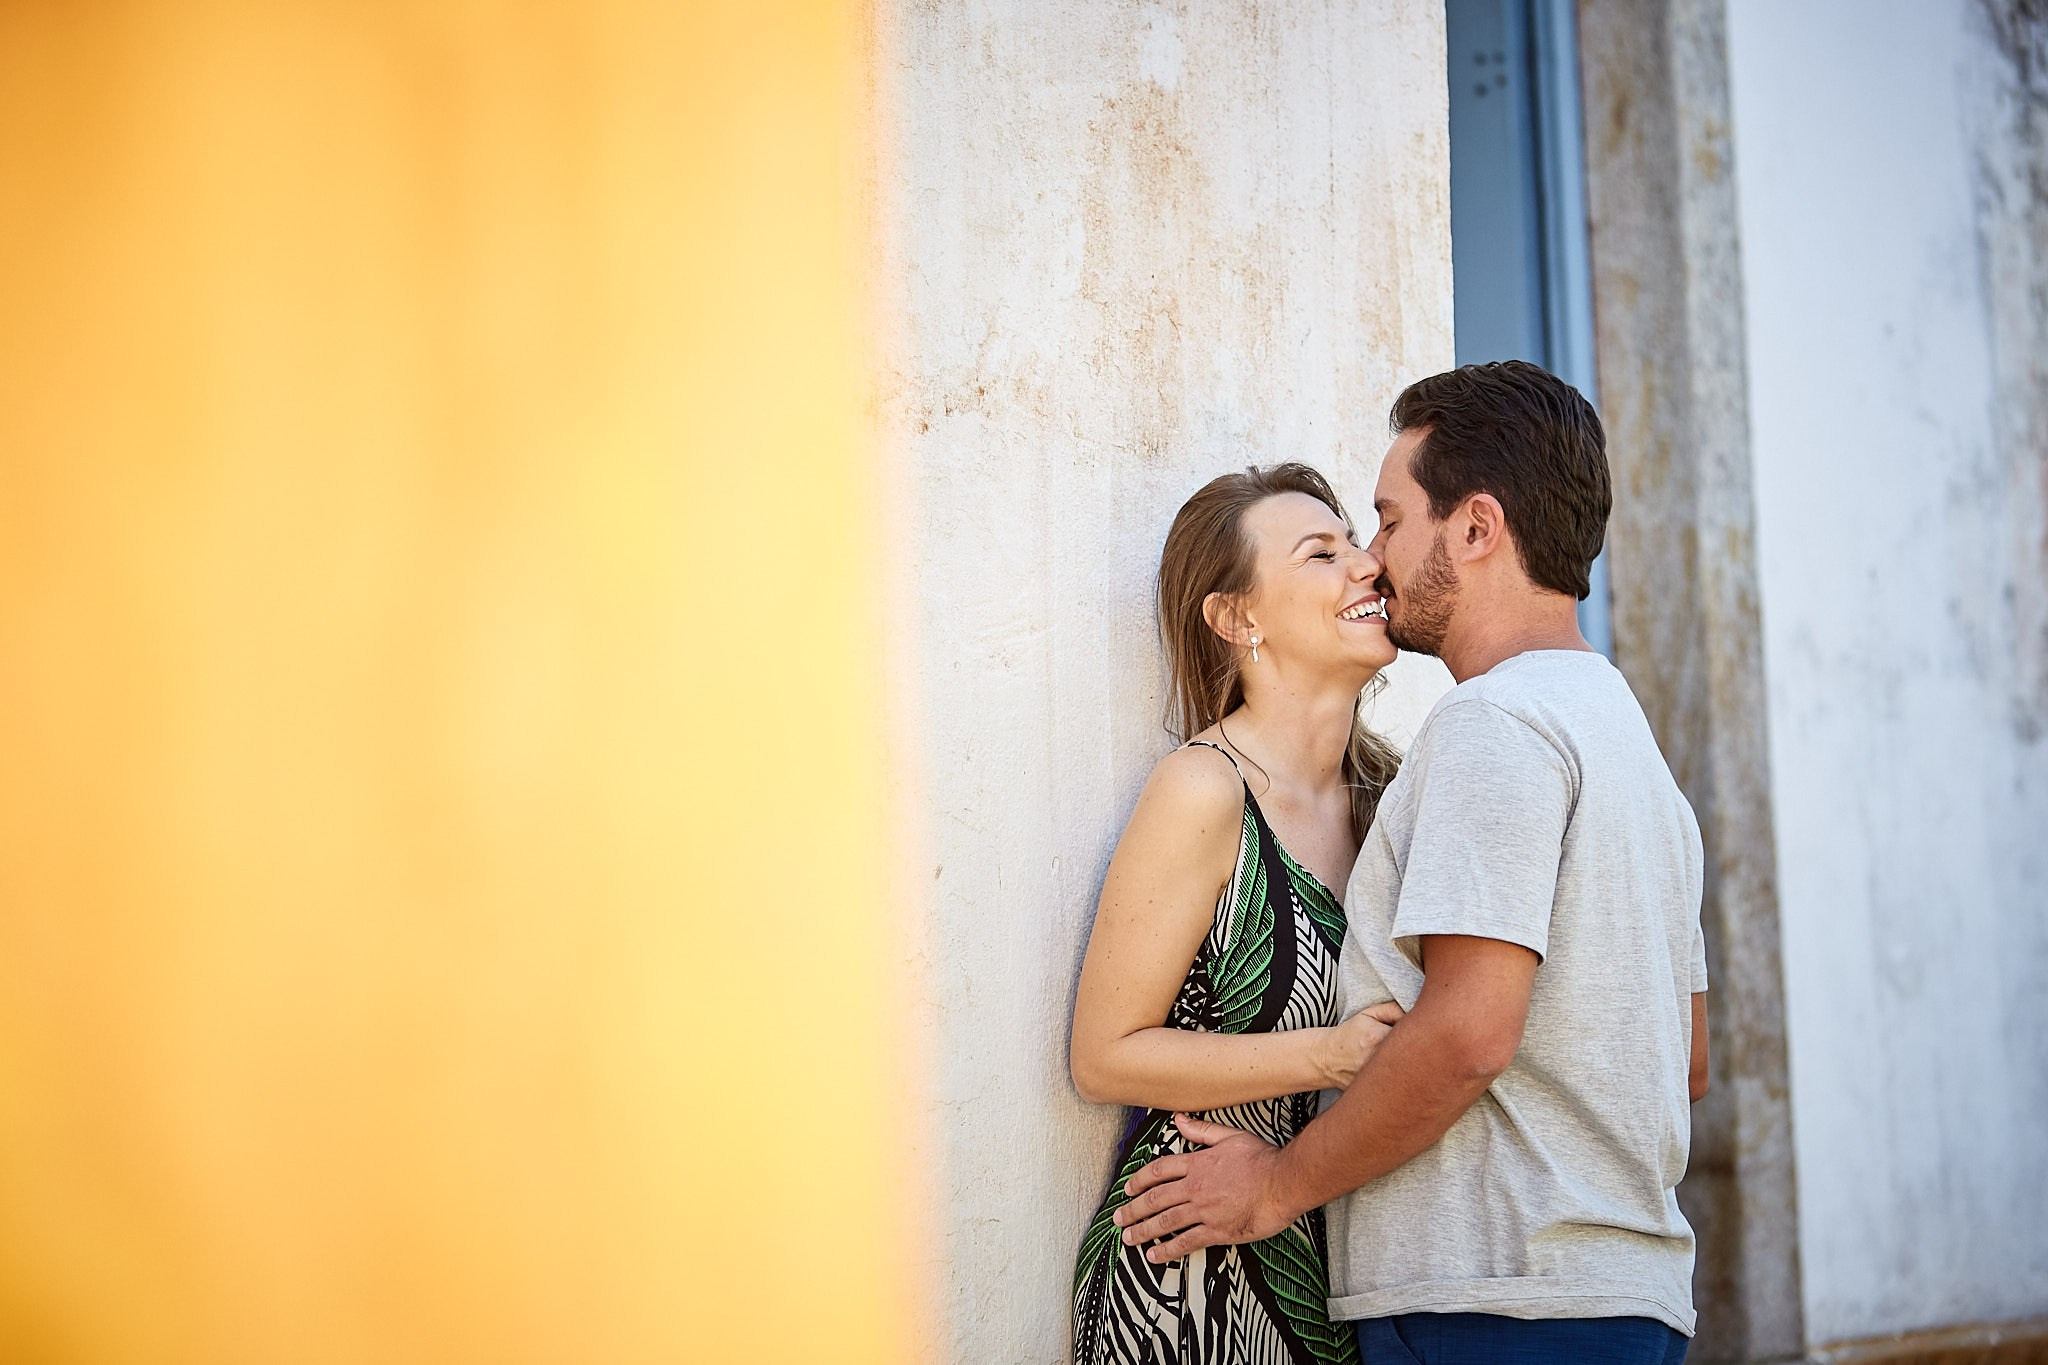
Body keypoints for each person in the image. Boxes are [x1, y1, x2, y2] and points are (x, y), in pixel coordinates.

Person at [1110, 361, 1711, 1365]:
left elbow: (1466, 1034)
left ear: (1474, 530)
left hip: (1490, 1301)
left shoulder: (1492, 722)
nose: (1375, 559)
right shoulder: (1627, 742)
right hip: (1620, 1298)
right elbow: (1684, 1060)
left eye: (1387, 522)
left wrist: (1275, 1186)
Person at [1069, 464, 1410, 1365]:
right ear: (1235, 617)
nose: (1367, 564)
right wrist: (1332, 1054)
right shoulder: (1203, 789)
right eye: (1321, 553)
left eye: (1356, 542)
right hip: (1191, 1277)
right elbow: (1104, 1055)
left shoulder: (1394, 796)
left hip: (1341, 1274)